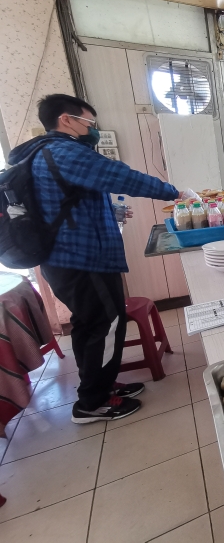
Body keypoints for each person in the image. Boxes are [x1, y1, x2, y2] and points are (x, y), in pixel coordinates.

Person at [8, 94, 180, 423]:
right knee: (106, 324)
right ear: (66, 120)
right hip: (83, 260)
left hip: (68, 258)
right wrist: (175, 192)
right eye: (89, 122)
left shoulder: (43, 153)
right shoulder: (63, 150)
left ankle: (99, 385)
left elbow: (65, 201)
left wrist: (112, 210)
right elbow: (120, 177)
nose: (93, 129)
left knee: (89, 325)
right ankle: (92, 403)